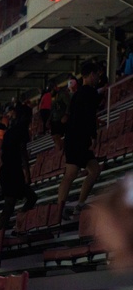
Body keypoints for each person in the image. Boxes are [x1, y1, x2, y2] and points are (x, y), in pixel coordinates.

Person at [57, 61, 102, 221]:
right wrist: (94, 137)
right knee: (71, 174)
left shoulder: (77, 94)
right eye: (97, 74)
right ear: (91, 74)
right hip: (79, 138)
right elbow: (90, 116)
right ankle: (61, 209)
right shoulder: (90, 93)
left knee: (94, 170)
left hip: (73, 137)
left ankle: (79, 205)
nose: (98, 78)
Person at [0, 103, 38, 233]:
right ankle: (5, 229)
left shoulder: (10, 131)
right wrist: (27, 172)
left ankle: (2, 231)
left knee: (10, 204)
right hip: (13, 170)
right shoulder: (22, 130)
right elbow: (22, 151)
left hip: (6, 170)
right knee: (13, 203)